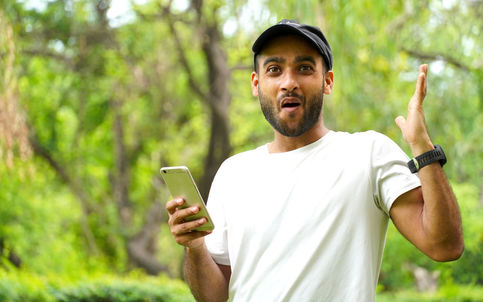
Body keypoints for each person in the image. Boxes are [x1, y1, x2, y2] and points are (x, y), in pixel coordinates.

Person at [166, 19, 464, 301]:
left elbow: (445, 245)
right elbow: (214, 295)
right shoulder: (233, 173)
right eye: (274, 69)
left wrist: (423, 148)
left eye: (305, 68)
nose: (288, 82)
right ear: (256, 84)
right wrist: (194, 247)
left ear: (328, 81)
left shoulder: (369, 154)